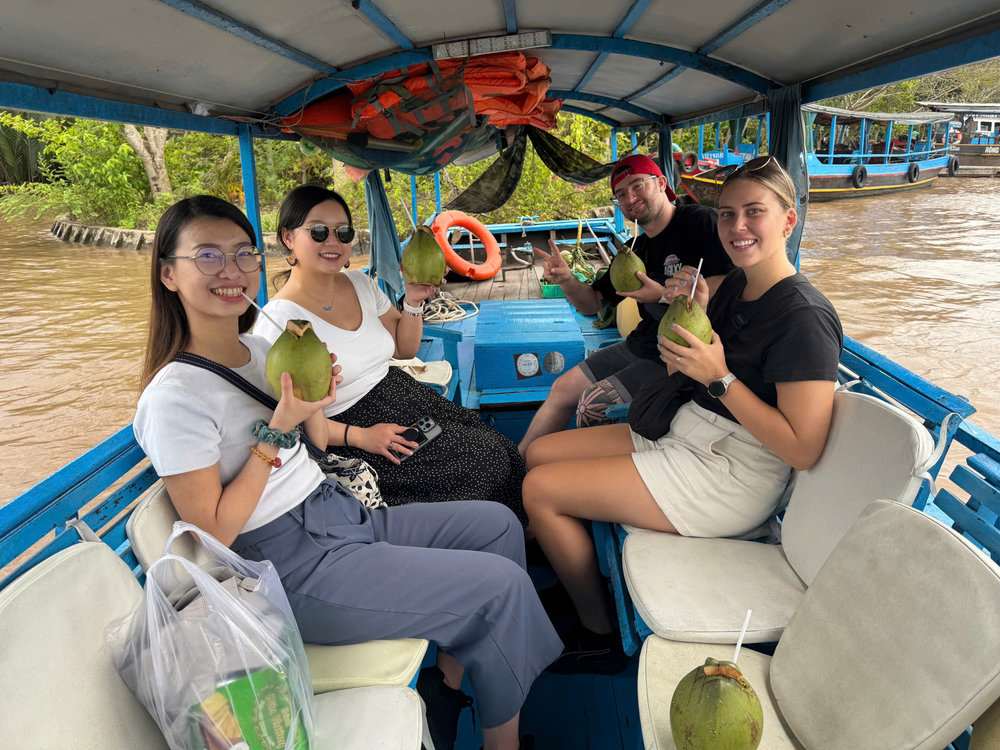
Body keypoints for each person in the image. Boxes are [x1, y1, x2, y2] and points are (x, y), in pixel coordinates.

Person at [133, 195, 561, 750]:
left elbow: (312, 440)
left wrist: (316, 403)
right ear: (168, 273)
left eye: (243, 254)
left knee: (499, 525)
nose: (232, 272)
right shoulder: (174, 398)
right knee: (499, 588)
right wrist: (276, 429)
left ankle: (451, 684)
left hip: (339, 514)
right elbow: (213, 532)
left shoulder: (261, 347)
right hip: (290, 566)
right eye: (208, 256)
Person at [522, 156, 843, 673]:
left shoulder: (803, 316)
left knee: (540, 491)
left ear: (789, 218)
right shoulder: (737, 284)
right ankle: (581, 575)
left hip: (732, 473)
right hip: (691, 429)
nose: (737, 227)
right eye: (727, 214)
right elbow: (690, 350)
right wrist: (679, 306)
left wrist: (719, 377)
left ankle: (599, 633)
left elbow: (802, 448)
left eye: (753, 212)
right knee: (539, 454)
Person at [254, 185, 528, 523]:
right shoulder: (279, 323)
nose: (333, 242)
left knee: (498, 444)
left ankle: (520, 533)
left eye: (343, 232)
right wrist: (360, 436)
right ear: (288, 237)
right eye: (319, 231)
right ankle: (493, 538)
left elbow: (404, 347)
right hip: (353, 431)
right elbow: (288, 420)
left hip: (401, 397)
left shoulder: (359, 283)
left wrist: (413, 300)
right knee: (484, 461)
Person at [518, 154, 733, 454]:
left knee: (591, 406)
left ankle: (600, 488)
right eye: (620, 194)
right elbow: (592, 303)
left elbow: (730, 286)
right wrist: (566, 279)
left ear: (661, 183)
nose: (629, 198)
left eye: (637, 185)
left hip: (681, 355)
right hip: (643, 344)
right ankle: (515, 471)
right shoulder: (634, 248)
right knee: (562, 389)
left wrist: (661, 295)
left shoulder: (699, 222)